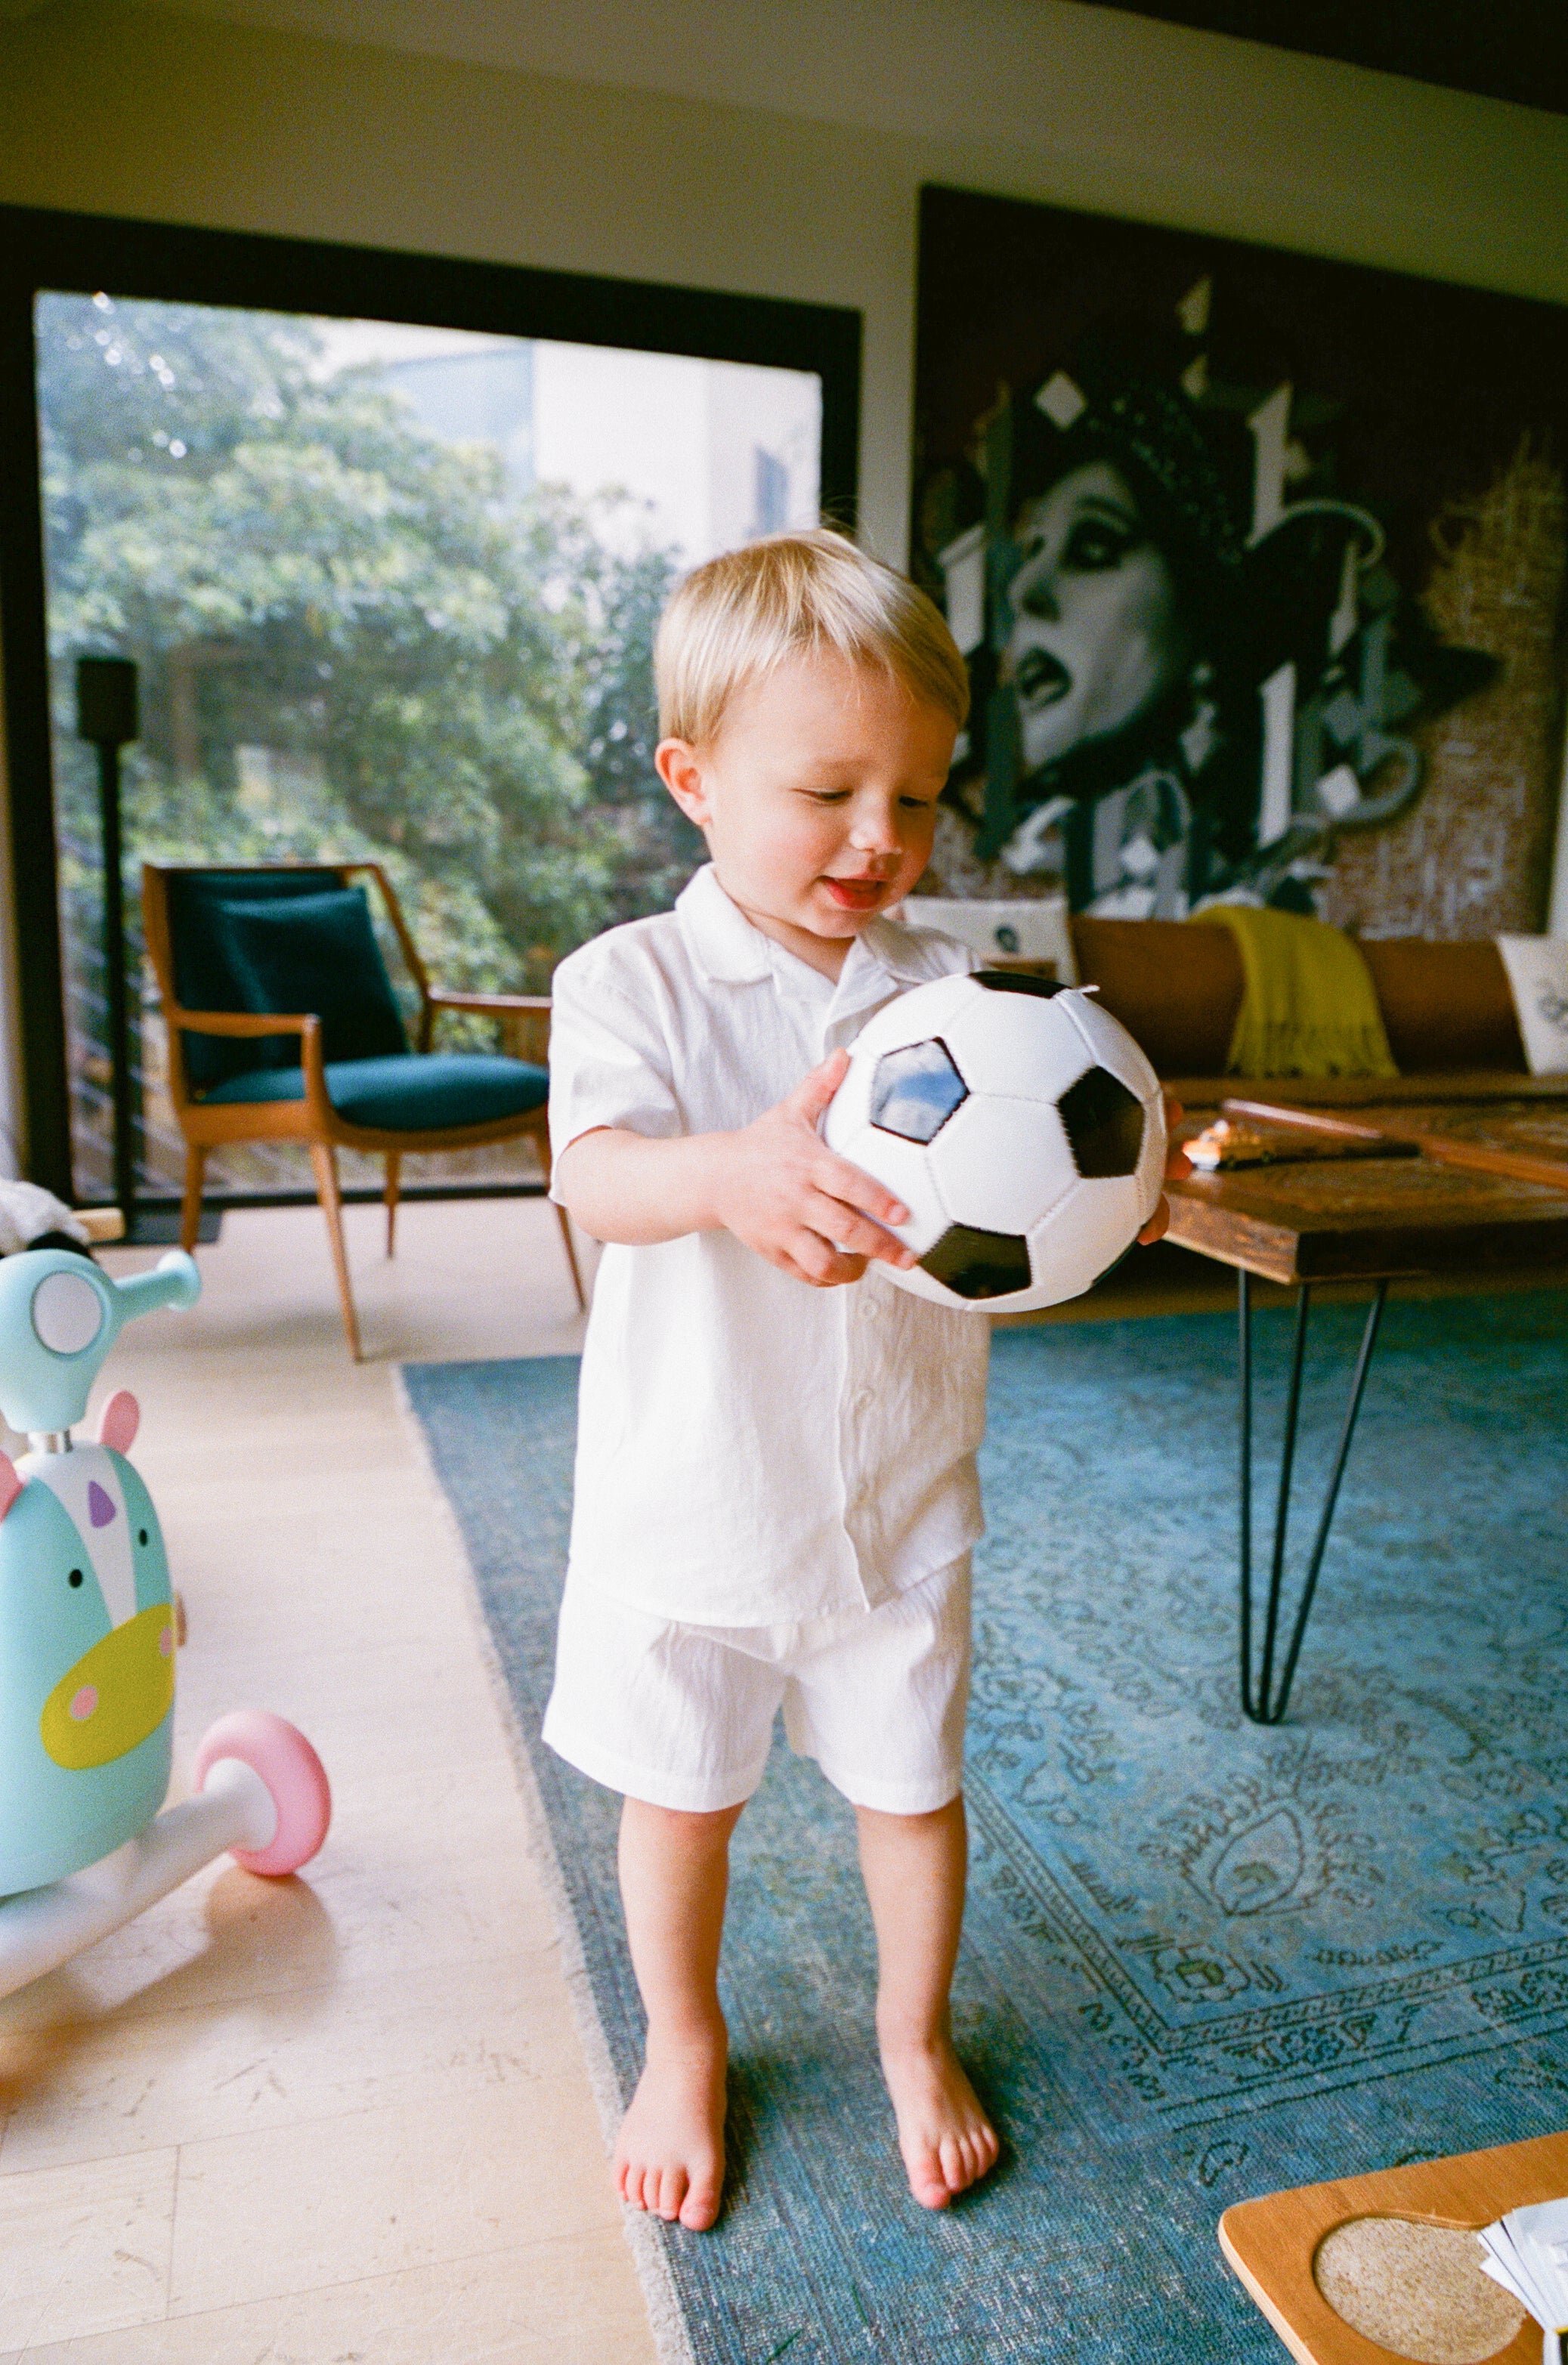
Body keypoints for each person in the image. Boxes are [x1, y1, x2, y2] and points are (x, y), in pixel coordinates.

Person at [543, 529, 1185, 2234]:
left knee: (912, 1787)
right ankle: (684, 2040)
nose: (879, 835)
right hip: (695, 1502)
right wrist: (727, 1176)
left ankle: (912, 2034)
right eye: (826, 787)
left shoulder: (957, 997)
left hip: (898, 1498)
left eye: (916, 794)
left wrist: (1112, 1190)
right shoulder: (632, 981)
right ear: (693, 777)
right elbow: (595, 1177)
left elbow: (1031, 1173)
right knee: (683, 1797)